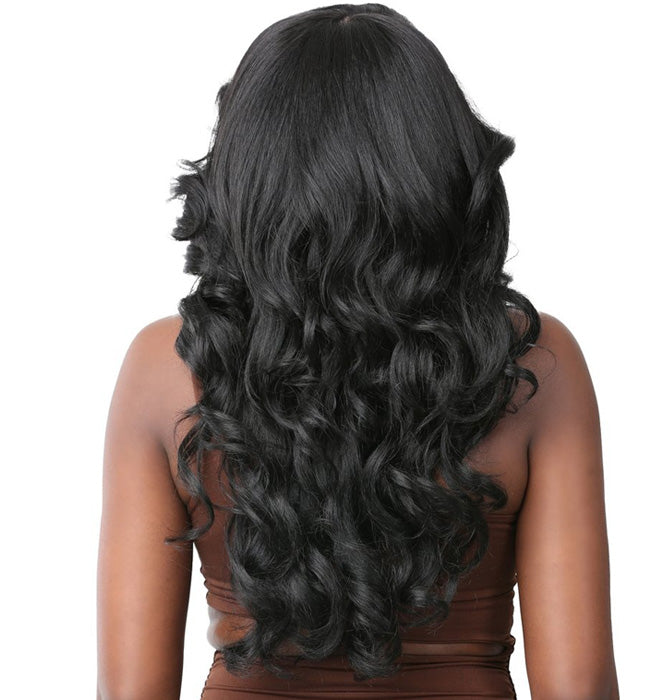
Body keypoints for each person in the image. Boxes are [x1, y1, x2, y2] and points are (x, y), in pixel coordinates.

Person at [96, 4, 619, 698]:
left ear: (249, 177)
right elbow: (580, 685)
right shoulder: (535, 364)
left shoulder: (165, 367)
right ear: (441, 166)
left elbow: (130, 692)